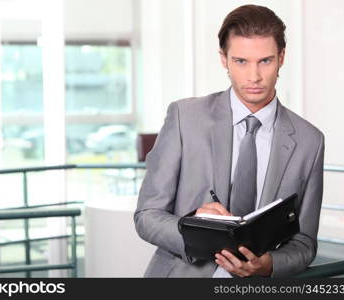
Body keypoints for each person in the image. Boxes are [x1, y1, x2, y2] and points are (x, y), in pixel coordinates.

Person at [134, 4, 325, 278]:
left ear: (281, 57)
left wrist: (269, 264)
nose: (254, 77)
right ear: (224, 58)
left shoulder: (310, 142)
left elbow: (305, 242)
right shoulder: (184, 118)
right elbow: (146, 215)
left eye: (265, 61)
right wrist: (193, 227)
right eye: (241, 61)